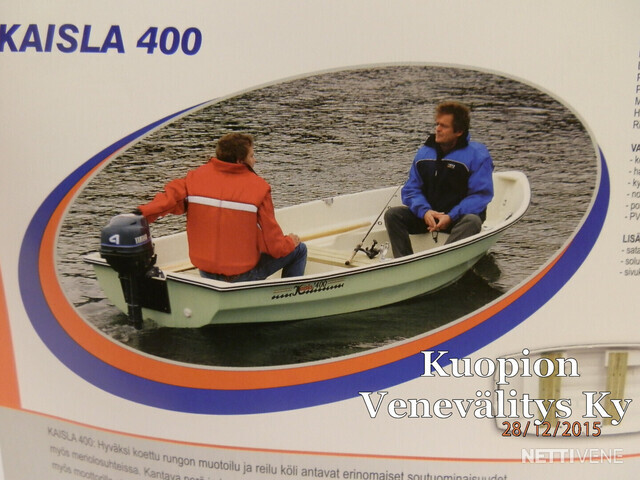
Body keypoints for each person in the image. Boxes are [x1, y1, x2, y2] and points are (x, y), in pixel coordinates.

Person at [136, 132, 307, 282]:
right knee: (299, 249)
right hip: (241, 276)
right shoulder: (259, 188)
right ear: (240, 161)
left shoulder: (195, 178)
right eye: (252, 156)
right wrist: (290, 242)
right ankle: (289, 296)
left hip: (206, 272)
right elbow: (275, 247)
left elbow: (166, 201)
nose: (255, 160)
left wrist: (140, 214)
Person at [384, 101, 494, 258]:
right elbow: (411, 189)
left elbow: (480, 196)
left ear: (459, 131)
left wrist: (450, 216)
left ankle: (443, 259)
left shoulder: (478, 155)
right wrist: (425, 212)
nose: (438, 129)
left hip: (458, 218)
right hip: (429, 216)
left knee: (473, 221)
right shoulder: (424, 153)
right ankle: (404, 260)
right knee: (393, 215)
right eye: (437, 124)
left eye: (444, 126)